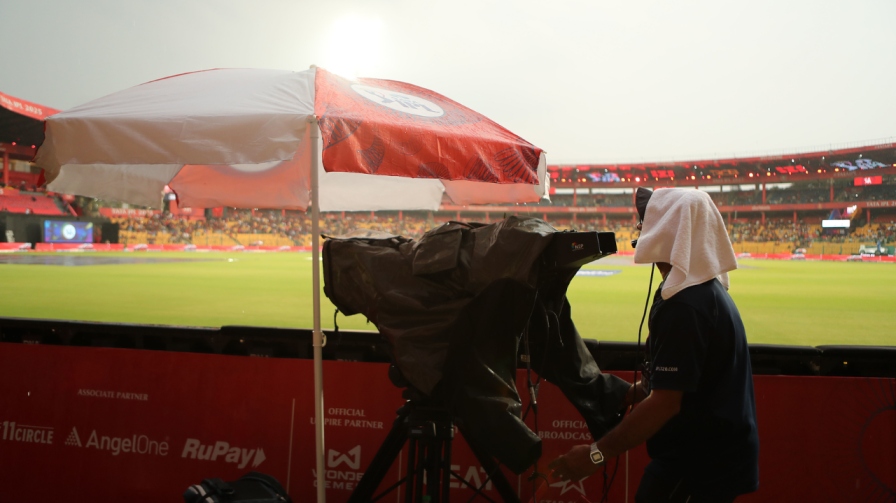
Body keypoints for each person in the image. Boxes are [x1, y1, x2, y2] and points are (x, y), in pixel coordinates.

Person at [548, 187, 759, 502]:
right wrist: (623, 394)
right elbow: (680, 385)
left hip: (697, 467)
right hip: (705, 460)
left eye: (645, 221)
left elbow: (665, 402)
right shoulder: (699, 292)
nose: (638, 229)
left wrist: (595, 455)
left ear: (668, 229)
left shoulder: (685, 305)